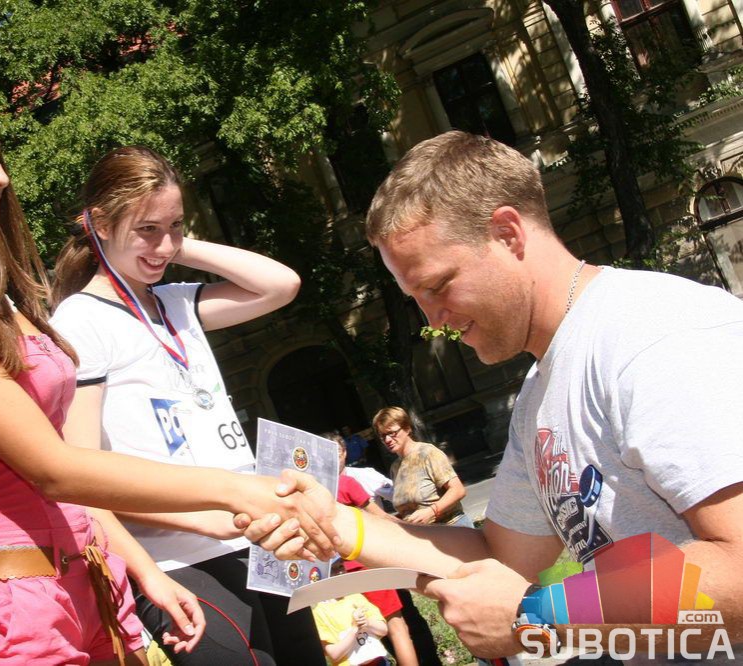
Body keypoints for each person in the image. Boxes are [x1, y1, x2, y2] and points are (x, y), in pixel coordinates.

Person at [0, 80, 333, 665]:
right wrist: (240, 490)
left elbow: (280, 285)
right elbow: (57, 468)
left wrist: (141, 572)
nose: (0, 176)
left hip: (84, 575)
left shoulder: (1, 300)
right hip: (9, 598)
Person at [238, 131, 743, 659]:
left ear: (507, 233)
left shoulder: (657, 336)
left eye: (438, 286)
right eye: (415, 299)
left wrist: (540, 614)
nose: (433, 319)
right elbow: (500, 554)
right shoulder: (540, 391)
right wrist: (338, 524)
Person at [48, 145, 325, 665]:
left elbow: (281, 284)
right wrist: (204, 519)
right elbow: (81, 478)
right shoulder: (79, 321)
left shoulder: (176, 300)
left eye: (174, 225)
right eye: (147, 229)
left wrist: (172, 244)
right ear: (101, 224)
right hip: (177, 560)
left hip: (255, 538)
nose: (164, 244)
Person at [324, 431, 420, 666]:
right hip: (364, 565)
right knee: (397, 627)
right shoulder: (347, 483)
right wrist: (412, 529)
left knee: (357, 633)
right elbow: (379, 517)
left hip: (336, 573)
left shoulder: (313, 492)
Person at [372, 407, 472, 528]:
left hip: (452, 528)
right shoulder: (395, 467)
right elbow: (411, 507)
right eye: (383, 436)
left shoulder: (428, 453)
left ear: (407, 428)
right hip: (423, 533)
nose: (388, 439)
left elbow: (458, 490)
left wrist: (431, 511)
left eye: (392, 433)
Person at [313, 563, 390, 666]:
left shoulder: (356, 597)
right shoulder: (319, 611)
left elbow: (383, 630)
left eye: (341, 566)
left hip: (378, 662)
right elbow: (334, 655)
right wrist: (354, 629)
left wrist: (367, 622)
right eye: (333, 570)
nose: (340, 572)